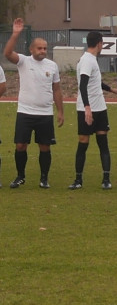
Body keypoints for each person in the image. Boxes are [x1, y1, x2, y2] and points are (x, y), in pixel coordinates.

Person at [3, 18, 64, 188]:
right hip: (25, 112)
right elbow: (7, 53)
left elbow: (57, 90)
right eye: (39, 48)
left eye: (45, 48)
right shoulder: (23, 61)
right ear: (31, 49)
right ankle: (20, 176)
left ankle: (44, 178)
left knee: (45, 147)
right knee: (21, 145)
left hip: (45, 114)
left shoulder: (52, 66)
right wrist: (15, 34)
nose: (43, 51)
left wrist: (60, 111)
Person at [70, 30, 113, 190]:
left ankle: (106, 179)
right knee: (84, 143)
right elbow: (83, 84)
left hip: (100, 108)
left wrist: (110, 89)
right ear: (100, 43)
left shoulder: (90, 59)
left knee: (103, 143)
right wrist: (87, 108)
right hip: (86, 109)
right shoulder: (87, 60)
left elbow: (95, 82)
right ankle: (78, 180)